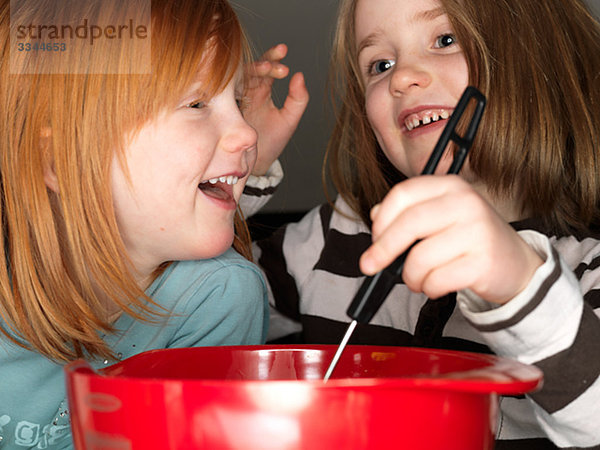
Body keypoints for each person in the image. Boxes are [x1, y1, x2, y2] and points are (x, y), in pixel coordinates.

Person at [242, 0, 600, 448]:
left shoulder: (589, 271)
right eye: (380, 64)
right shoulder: (331, 239)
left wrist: (517, 283)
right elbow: (197, 301)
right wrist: (236, 169)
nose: (402, 77)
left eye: (445, 40)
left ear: (540, 56)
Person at [0, 0, 286, 448]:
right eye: (196, 103)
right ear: (61, 159)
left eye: (237, 102)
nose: (247, 133)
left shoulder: (219, 296)